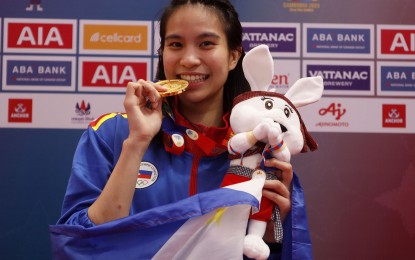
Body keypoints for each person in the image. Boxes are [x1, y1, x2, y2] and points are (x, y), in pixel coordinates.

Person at [57, 0, 311, 258]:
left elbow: (275, 251)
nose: (189, 60)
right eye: (176, 44)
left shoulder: (260, 147)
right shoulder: (111, 133)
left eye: (206, 44)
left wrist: (272, 234)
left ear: (234, 56)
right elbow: (83, 244)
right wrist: (137, 143)